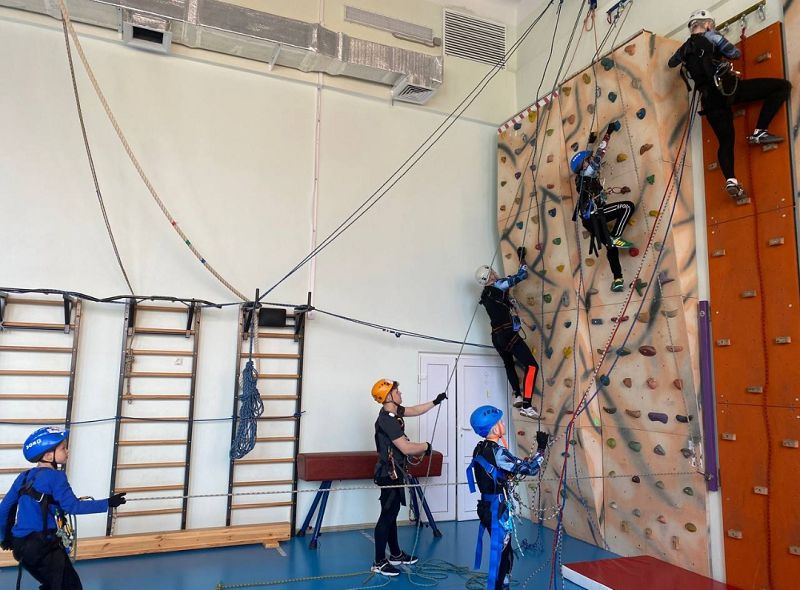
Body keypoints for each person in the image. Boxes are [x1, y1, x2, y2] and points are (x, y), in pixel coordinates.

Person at [668, 9, 791, 200]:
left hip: (709, 101)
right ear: (707, 24)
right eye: (712, 25)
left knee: (725, 141)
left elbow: (671, 63)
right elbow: (734, 53)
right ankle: (760, 131)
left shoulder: (684, 49)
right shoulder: (712, 36)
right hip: (728, 90)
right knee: (782, 87)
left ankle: (731, 180)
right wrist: (716, 38)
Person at [0, 426, 127, 590]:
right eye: (63, 448)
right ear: (48, 455)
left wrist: (5, 538)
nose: (67, 451)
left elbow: (4, 509)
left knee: (53, 585)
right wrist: (108, 503)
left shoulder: (23, 477)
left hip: (21, 546)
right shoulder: (56, 477)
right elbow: (74, 507)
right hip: (43, 546)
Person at [466, 405, 548, 590]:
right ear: (495, 429)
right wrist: (541, 449)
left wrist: (510, 471)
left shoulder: (479, 448)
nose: (503, 424)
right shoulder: (498, 452)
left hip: (487, 506)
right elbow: (530, 469)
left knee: (505, 550)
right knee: (502, 555)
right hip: (497, 509)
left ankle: (504, 585)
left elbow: (495, 473)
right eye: (500, 422)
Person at [370, 379, 446, 577]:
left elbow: (414, 410)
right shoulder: (387, 420)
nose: (400, 393)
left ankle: (395, 554)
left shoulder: (394, 412)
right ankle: (378, 561)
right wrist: (426, 447)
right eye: (397, 391)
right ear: (389, 396)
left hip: (395, 472)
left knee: (392, 513)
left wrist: (435, 402)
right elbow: (405, 448)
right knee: (387, 515)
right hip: (388, 474)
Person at [570, 122, 636, 293]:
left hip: (589, 221)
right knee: (627, 206)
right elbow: (600, 153)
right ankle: (616, 235)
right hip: (595, 215)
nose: (591, 161)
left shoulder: (582, 179)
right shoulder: (587, 173)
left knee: (611, 247)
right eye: (588, 160)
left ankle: (618, 279)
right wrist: (609, 132)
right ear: (584, 165)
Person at [476, 250, 540, 418]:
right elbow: (522, 275)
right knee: (532, 366)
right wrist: (522, 258)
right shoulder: (499, 285)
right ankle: (527, 405)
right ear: (490, 276)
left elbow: (506, 302)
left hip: (496, 337)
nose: (495, 272)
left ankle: (517, 394)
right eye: (492, 271)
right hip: (507, 334)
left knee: (509, 364)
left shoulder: (486, 295)